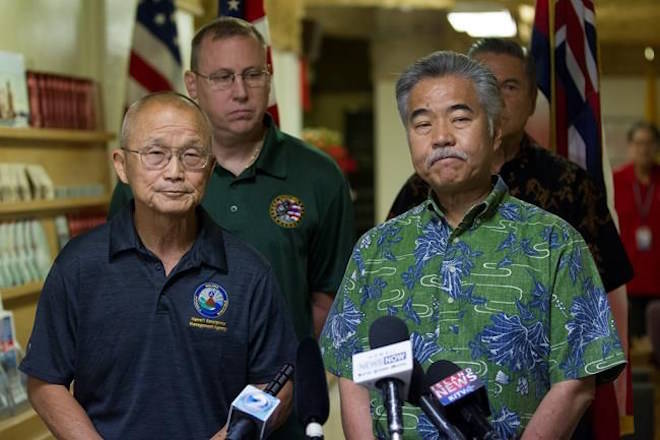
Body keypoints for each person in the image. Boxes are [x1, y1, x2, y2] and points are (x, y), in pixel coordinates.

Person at [320, 51, 626, 439]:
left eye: (460, 118)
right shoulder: (375, 249)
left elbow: (577, 382)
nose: (442, 137)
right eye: (422, 123)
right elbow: (350, 373)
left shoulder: (555, 243)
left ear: (495, 130)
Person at [20, 92, 296, 439]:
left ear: (210, 169)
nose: (175, 172)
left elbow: (276, 383)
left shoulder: (249, 272)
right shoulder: (78, 265)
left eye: (192, 155)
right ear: (121, 164)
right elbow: (45, 379)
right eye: (155, 154)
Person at [109, 17, 354, 343]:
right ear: (192, 85)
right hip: (176, 375)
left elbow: (329, 299)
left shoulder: (318, 175)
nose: (240, 92)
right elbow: (119, 283)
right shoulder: (148, 178)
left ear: (268, 79)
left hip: (287, 374)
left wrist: (272, 357)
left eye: (253, 75)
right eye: (223, 77)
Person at [614, 121, 660, 338]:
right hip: (627, 285)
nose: (644, 149)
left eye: (650, 143)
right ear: (630, 146)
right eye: (639, 143)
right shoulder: (615, 182)